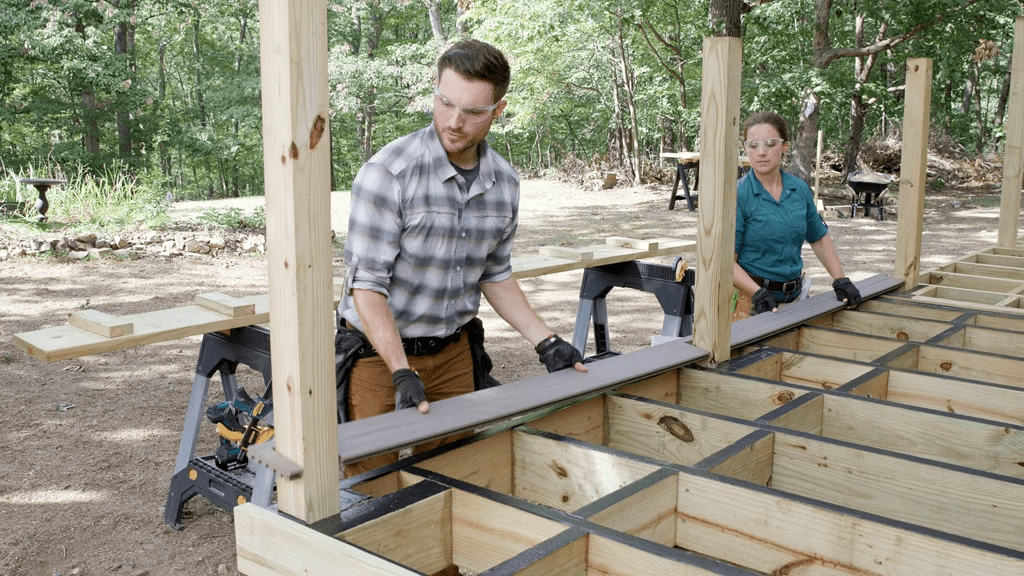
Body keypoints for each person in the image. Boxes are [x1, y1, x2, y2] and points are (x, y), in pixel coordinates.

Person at [336, 39, 587, 478]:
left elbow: (495, 273)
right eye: (446, 103)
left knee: (452, 477)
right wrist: (400, 371)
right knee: (371, 485)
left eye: (472, 112)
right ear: (435, 92)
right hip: (378, 358)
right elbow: (367, 286)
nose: (454, 121)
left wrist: (545, 341)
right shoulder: (388, 173)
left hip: (453, 353)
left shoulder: (504, 182)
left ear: (498, 110)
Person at [734, 111, 862, 315]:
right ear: (746, 149)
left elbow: (819, 238)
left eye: (769, 143)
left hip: (794, 300)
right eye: (753, 145)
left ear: (785, 146)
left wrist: (840, 279)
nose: (761, 152)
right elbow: (726, 262)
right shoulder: (738, 195)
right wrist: (756, 293)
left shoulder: (799, 189)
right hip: (751, 303)